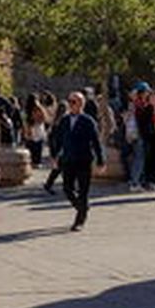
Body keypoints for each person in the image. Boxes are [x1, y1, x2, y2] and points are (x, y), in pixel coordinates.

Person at [54, 91, 105, 230]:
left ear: (81, 104)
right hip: (68, 159)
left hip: (84, 160)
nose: (71, 104)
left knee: (83, 191)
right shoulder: (64, 120)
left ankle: (79, 220)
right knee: (67, 188)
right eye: (69, 101)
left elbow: (96, 142)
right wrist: (55, 156)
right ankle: (82, 207)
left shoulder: (88, 121)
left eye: (74, 102)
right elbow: (58, 140)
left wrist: (101, 160)